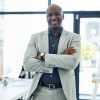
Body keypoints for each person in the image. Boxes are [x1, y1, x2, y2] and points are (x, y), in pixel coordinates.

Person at [23, 4, 81, 100]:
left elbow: (72, 63)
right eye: (50, 15)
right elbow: (27, 64)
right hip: (40, 92)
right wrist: (61, 57)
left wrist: (42, 56)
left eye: (57, 14)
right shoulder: (35, 37)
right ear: (46, 17)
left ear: (63, 16)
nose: (53, 17)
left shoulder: (74, 37)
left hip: (63, 93)